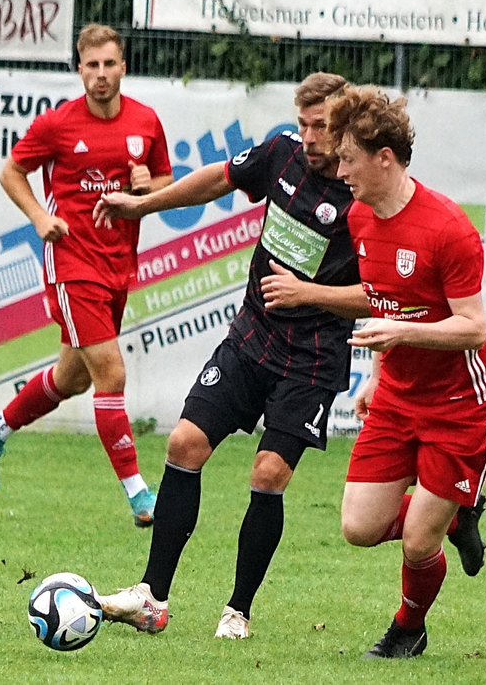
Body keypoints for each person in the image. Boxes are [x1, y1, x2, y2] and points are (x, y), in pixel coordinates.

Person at [92, 72, 364, 638]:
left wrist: (308, 293)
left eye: (321, 126)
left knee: (268, 473)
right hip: (252, 338)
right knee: (184, 443)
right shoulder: (281, 155)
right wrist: (142, 206)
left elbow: (382, 294)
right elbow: (217, 179)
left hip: (312, 360)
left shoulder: (363, 196)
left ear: (346, 126)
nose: (310, 136)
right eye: (303, 123)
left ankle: (237, 610)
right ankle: (151, 597)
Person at [320, 86, 486, 658]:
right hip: (398, 397)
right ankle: (456, 516)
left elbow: (472, 329)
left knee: (418, 542)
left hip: (461, 404)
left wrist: (402, 333)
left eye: (348, 159)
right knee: (358, 527)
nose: (340, 171)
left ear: (384, 158)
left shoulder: (448, 228)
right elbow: (385, 301)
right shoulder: (359, 217)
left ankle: (408, 628)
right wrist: (379, 374)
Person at [0, 24, 173, 527]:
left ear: (123, 66)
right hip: (72, 263)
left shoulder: (146, 121)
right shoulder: (57, 124)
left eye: (109, 64)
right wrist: (40, 218)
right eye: (91, 65)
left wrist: (147, 186)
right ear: (79, 70)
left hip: (118, 264)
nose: (101, 74)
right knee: (111, 373)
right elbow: (11, 172)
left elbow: (165, 183)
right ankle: (139, 493)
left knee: (73, 378)